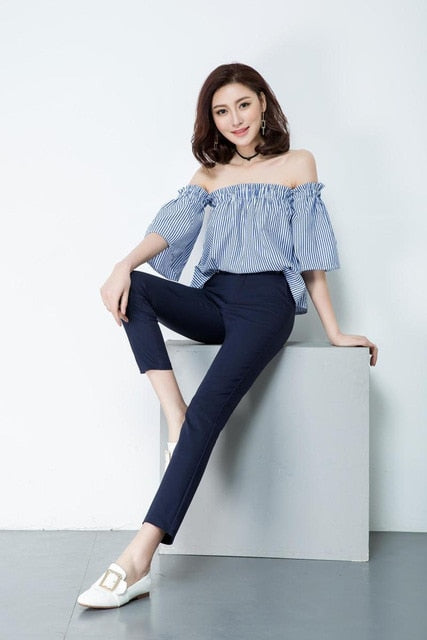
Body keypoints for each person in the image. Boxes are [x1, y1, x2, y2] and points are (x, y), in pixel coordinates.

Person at [77, 62, 378, 609]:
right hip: (216, 297)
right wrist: (122, 265)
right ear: (211, 120)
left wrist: (334, 331)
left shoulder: (297, 164)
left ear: (263, 103)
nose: (234, 119)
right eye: (221, 111)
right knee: (135, 290)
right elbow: (168, 230)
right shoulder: (210, 175)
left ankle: (137, 559)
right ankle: (175, 413)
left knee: (211, 413)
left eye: (242, 104)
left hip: (267, 305)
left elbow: (311, 255)